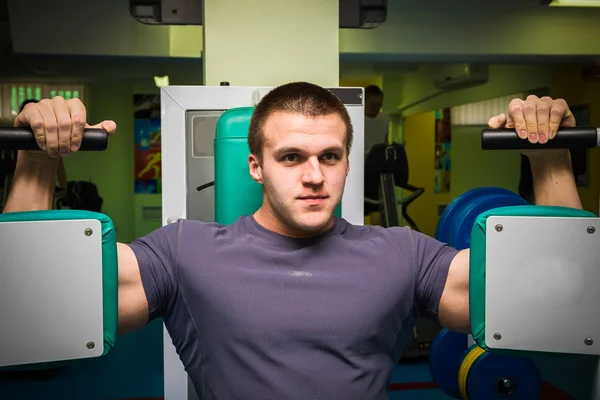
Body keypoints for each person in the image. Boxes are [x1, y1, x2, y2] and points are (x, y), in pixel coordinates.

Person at [3, 82, 582, 400]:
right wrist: (34, 158)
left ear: (348, 162)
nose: (314, 175)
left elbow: (553, 305)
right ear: (255, 165)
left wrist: (550, 157)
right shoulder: (186, 251)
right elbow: (30, 309)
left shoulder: (402, 253)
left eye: (330, 156)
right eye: (291, 157)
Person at [364, 84, 391, 157]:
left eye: (379, 105)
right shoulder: (355, 119)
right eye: (372, 105)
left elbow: (386, 140)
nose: (376, 108)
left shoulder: (385, 118)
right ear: (364, 102)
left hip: (379, 160)